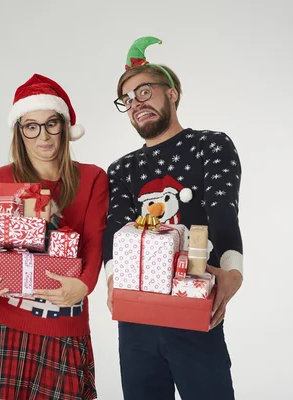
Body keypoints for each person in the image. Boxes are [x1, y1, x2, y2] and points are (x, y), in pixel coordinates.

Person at [0, 73, 108, 400]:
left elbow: (94, 242)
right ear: (20, 133)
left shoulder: (92, 178)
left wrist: (84, 284)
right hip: (7, 324)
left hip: (65, 326)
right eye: (30, 126)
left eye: (51, 124)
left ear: (64, 127)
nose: (42, 136)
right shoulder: (1, 179)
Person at [103, 36, 244, 400]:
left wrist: (232, 270)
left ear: (172, 93)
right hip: (137, 316)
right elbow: (115, 229)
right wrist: (114, 279)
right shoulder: (121, 169)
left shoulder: (210, 145)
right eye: (128, 99)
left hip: (195, 302)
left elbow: (223, 209)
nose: (136, 103)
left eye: (145, 91)